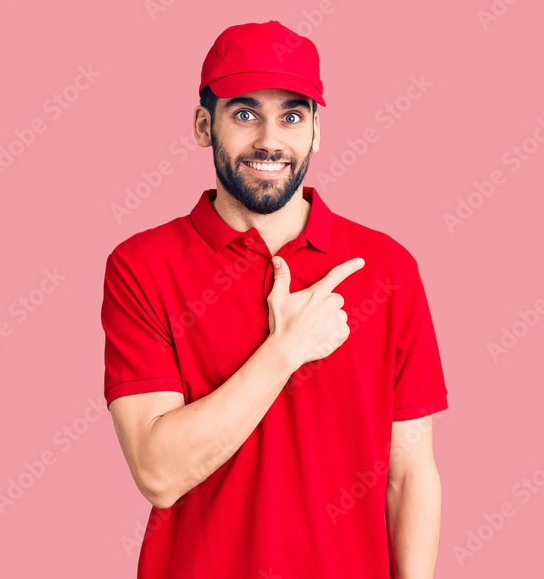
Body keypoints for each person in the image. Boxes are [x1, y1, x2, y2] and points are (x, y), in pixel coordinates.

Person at [100, 21, 449, 578]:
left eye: (291, 115)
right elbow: (158, 472)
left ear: (316, 131)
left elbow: (409, 474)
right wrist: (286, 350)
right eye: (244, 114)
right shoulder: (141, 266)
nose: (270, 139)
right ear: (201, 125)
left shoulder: (386, 267)